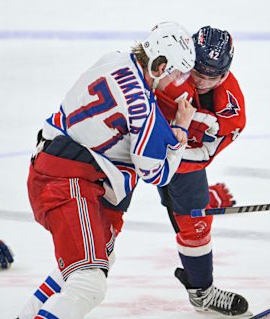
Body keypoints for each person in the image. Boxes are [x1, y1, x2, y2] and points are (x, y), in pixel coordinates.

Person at [17, 21, 196, 319]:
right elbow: (156, 173)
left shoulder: (112, 58)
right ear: (160, 64)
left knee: (97, 259)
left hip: (54, 167)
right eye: (177, 71)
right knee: (89, 284)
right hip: (67, 183)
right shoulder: (144, 113)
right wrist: (179, 132)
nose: (177, 80)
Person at [154, 25, 248, 317]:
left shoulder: (231, 109)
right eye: (199, 72)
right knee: (102, 218)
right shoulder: (165, 71)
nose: (204, 81)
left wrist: (168, 158)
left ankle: (202, 293)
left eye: (214, 76)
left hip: (183, 158)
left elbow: (205, 153)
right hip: (130, 146)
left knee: (195, 223)